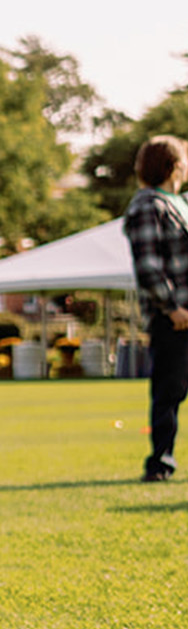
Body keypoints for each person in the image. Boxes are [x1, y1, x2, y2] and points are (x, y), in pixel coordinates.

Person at [126, 135, 188, 482]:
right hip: (174, 318)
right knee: (170, 389)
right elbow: (148, 266)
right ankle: (160, 463)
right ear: (174, 165)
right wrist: (171, 307)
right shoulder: (148, 205)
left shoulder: (180, 203)